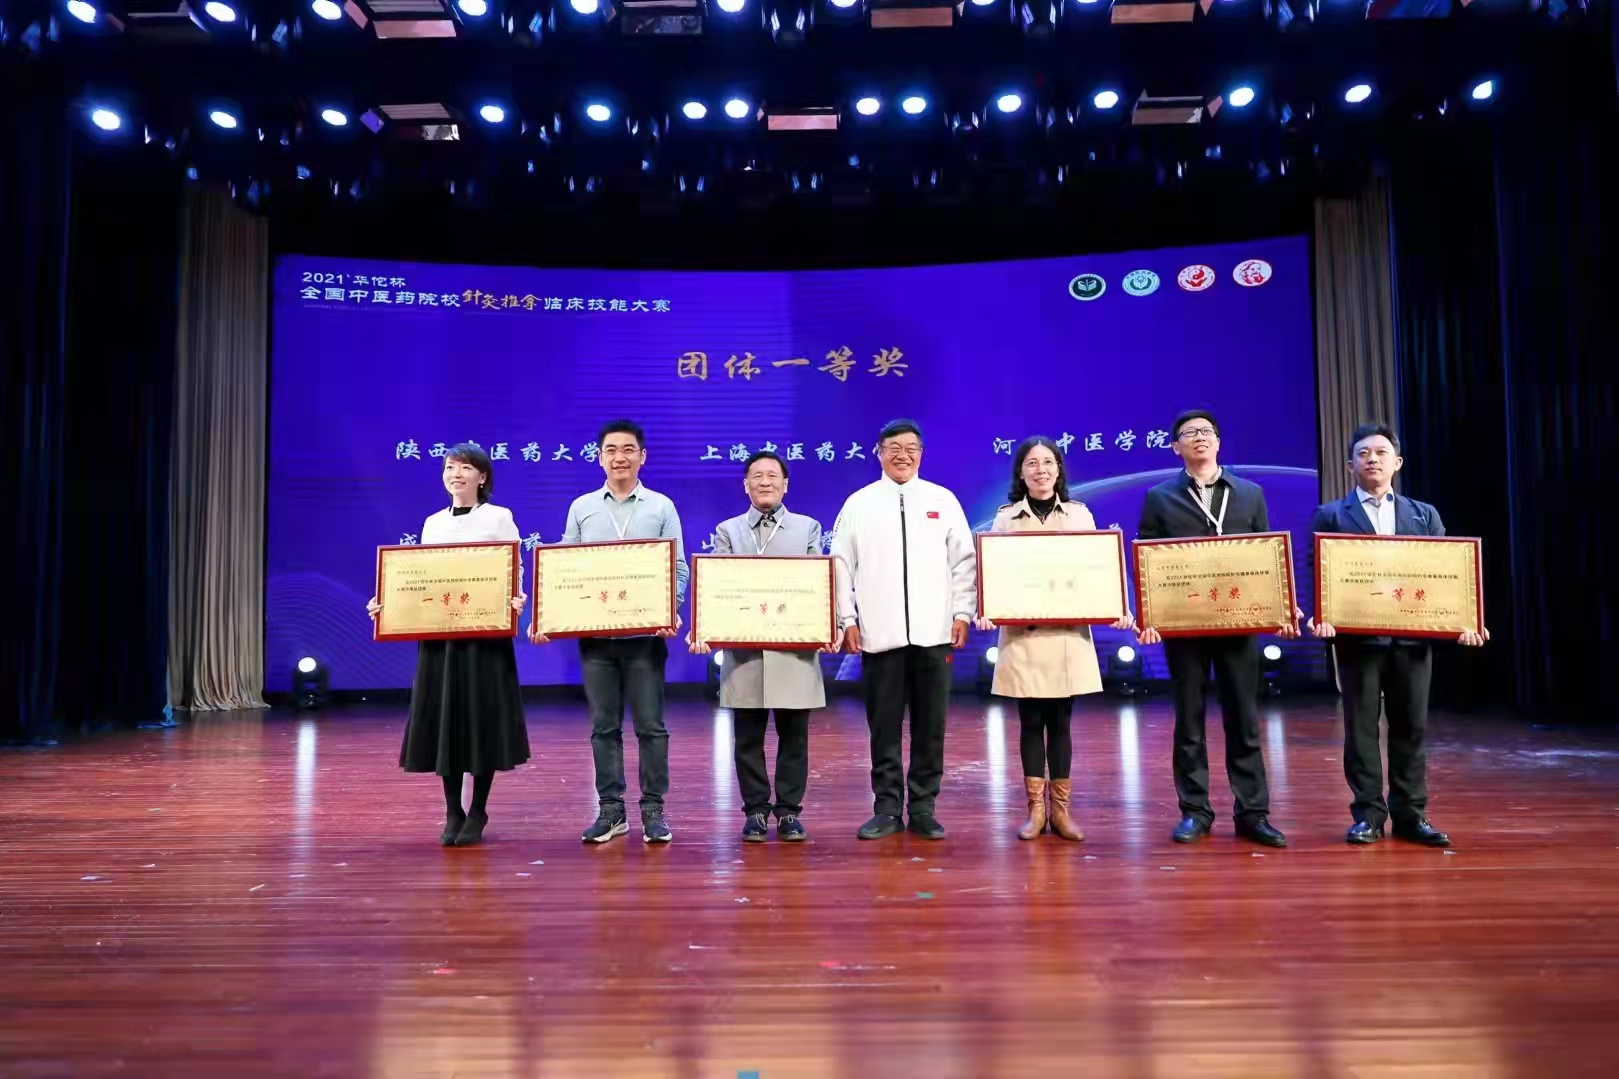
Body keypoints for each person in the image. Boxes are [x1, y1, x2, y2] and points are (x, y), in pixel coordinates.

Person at [1308, 423, 1489, 848]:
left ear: (1397, 462)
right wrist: (1322, 616)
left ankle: (1411, 815)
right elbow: (1316, 572)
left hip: (1411, 641)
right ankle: (1368, 815)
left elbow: (1447, 576)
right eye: (1363, 453)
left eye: (1380, 452)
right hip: (1357, 641)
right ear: (1349, 465)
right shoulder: (1330, 515)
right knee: (1361, 730)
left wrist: (1467, 620)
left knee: (1411, 727)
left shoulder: (1424, 515)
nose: (1372, 459)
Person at [1136, 409, 1295, 848]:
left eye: (1207, 432)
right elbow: (1148, 560)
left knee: (1243, 718)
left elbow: (1266, 556)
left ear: (1219, 442)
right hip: (1185, 627)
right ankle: (1195, 811)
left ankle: (1253, 813)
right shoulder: (1159, 497)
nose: (1199, 438)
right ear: (1176, 447)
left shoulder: (1250, 494)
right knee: (1189, 720)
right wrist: (1150, 617)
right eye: (1189, 433)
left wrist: (1281, 607)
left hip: (1238, 624)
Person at [529, 420, 687, 845]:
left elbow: (677, 567)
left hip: (644, 639)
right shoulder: (582, 508)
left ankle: (653, 810)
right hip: (596, 641)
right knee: (603, 727)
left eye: (628, 449)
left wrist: (669, 609)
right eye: (611, 450)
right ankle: (611, 811)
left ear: (642, 456)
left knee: (651, 727)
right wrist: (547, 616)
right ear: (599, 457)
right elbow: (564, 568)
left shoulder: (660, 507)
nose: (620, 457)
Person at [368, 443, 530, 847]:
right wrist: (388, 605)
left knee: (482, 718)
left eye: (465, 468)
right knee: (447, 720)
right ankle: (452, 810)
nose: (456, 474)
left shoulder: (498, 517)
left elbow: (514, 569)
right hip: (441, 636)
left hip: (485, 635)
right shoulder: (433, 523)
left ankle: (478, 809)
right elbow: (423, 577)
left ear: (482, 477)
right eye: (449, 467)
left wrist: (515, 599)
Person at [974, 436, 1136, 842]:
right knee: (1030, 723)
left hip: (1067, 636)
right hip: (1023, 638)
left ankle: (1061, 812)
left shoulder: (1080, 515)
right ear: (1021, 472)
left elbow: (1097, 571)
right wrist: (985, 608)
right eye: (1032, 463)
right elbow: (993, 575)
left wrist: (1117, 607)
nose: (1041, 469)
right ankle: (1035, 811)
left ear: (1059, 469)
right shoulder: (1006, 519)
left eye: (1048, 462)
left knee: (1061, 723)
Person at [831, 419, 976, 841]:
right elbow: (841, 565)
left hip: (935, 632)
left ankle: (924, 807)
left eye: (911, 448)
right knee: (884, 726)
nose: (902, 455)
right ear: (878, 452)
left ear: (921, 453)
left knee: (931, 726)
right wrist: (847, 619)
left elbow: (963, 562)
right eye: (893, 447)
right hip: (880, 634)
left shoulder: (942, 500)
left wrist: (963, 612)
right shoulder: (859, 503)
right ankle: (887, 808)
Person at [690, 450, 837, 843]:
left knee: (795, 738)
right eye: (757, 476)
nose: (765, 482)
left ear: (785, 484)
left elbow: (818, 585)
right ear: (746, 485)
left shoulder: (807, 528)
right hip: (746, 652)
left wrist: (830, 626)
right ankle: (755, 811)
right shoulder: (728, 530)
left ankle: (789, 813)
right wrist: (704, 629)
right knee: (747, 739)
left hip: (794, 651)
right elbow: (717, 586)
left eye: (773, 475)